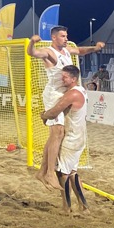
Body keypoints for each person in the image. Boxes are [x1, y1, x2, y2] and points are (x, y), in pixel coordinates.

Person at [26, 27, 104, 191]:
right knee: (58, 133)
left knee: (57, 134)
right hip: (54, 95)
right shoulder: (49, 52)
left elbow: (81, 50)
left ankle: (43, 172)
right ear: (54, 38)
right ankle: (48, 173)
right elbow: (32, 53)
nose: (66, 38)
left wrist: (94, 48)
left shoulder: (67, 50)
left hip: (65, 95)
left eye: (66, 35)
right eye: (62, 36)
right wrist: (32, 42)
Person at [39, 65, 90, 215]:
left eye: (65, 76)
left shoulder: (72, 94)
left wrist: (44, 115)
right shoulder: (80, 90)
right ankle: (84, 206)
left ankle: (66, 207)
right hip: (78, 136)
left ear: (73, 79)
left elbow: (54, 111)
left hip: (72, 138)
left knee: (63, 173)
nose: (62, 79)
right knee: (72, 172)